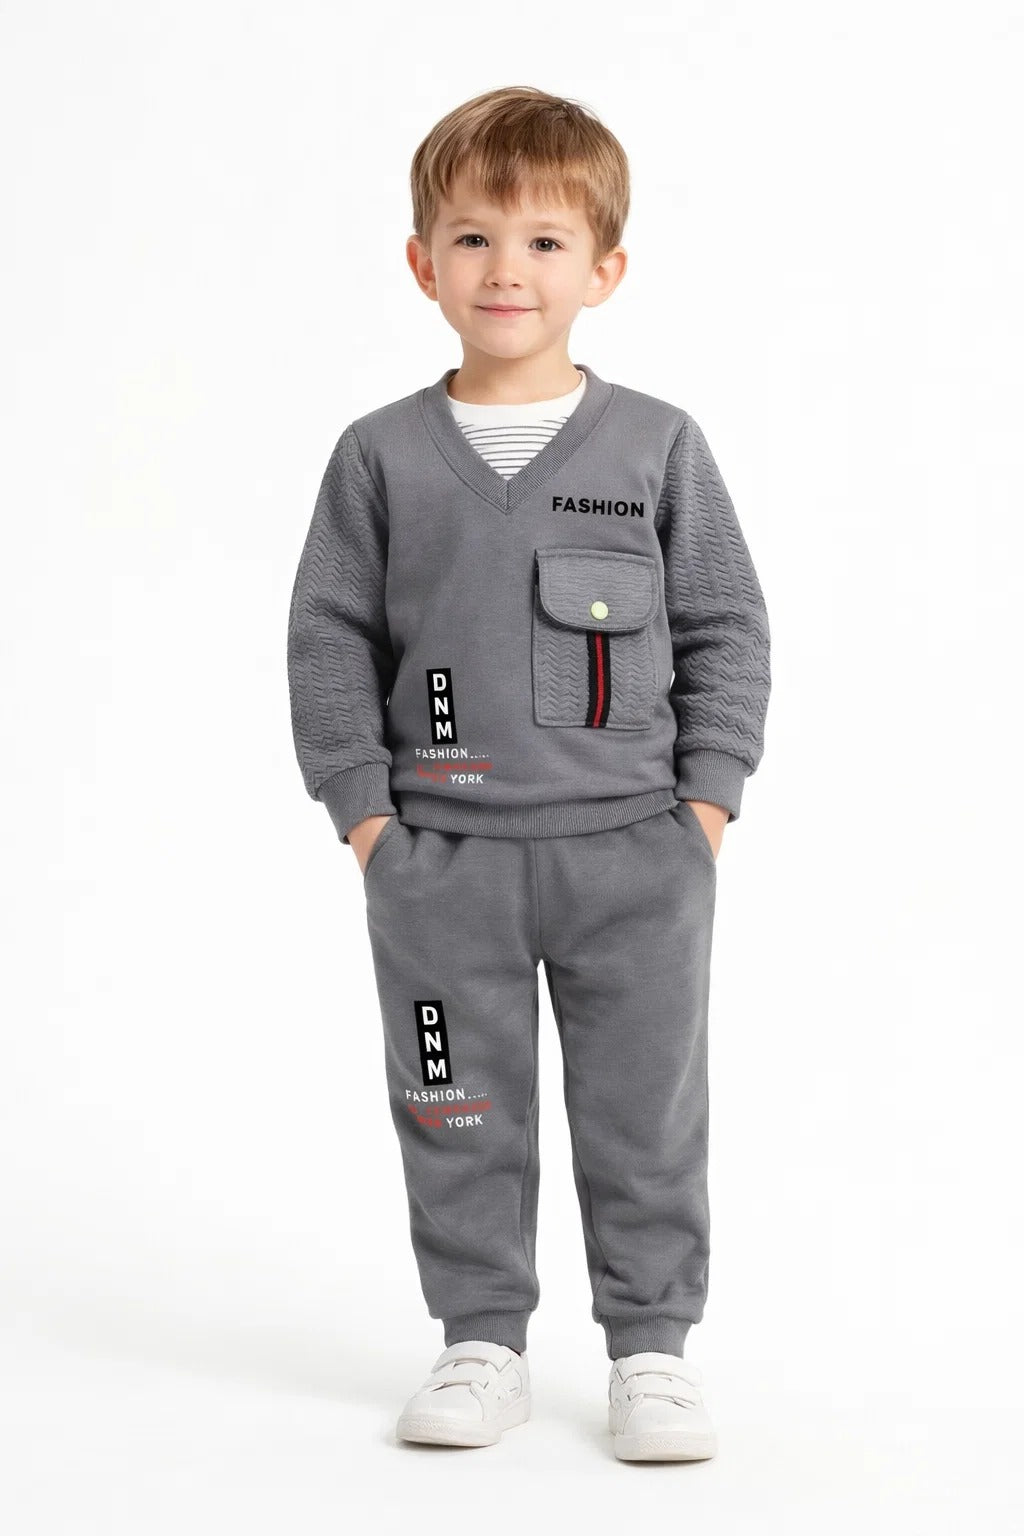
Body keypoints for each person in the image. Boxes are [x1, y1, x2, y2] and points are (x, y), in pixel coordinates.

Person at [286, 85, 771, 1461]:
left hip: (637, 857)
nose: (508, 270)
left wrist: (704, 806)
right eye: (474, 238)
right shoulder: (380, 457)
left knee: (645, 1109)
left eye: (547, 242)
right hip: (440, 862)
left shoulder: (657, 444)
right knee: (455, 1104)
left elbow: (727, 625)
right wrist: (368, 820)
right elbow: (328, 637)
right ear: (422, 262)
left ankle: (652, 1352)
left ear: (604, 269)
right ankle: (480, 1339)